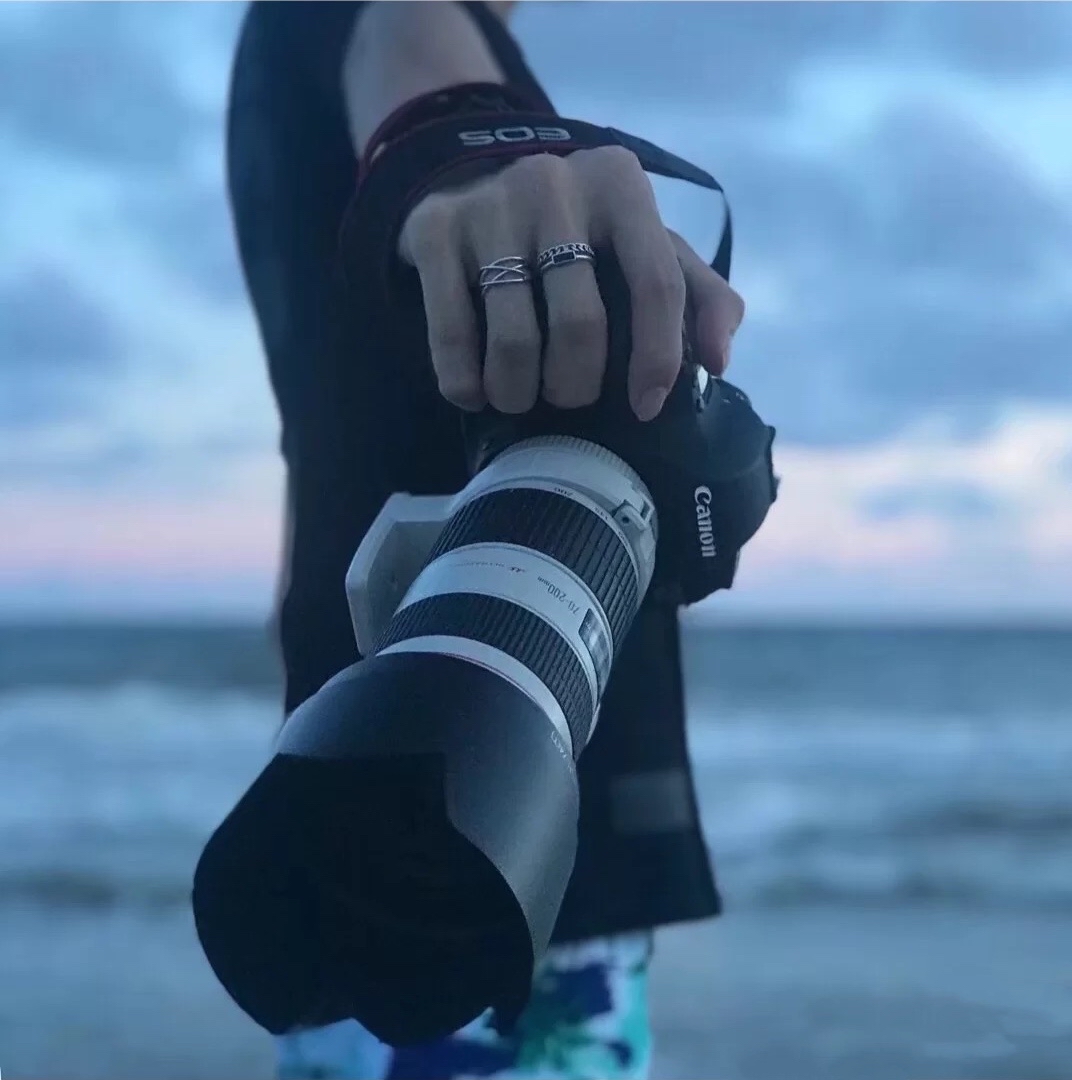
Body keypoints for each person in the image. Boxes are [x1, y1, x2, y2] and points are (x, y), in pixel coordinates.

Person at [226, 3, 745, 1077]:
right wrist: (467, 148)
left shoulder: (279, 67)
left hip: (374, 801)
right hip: (494, 853)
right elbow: (402, 41)